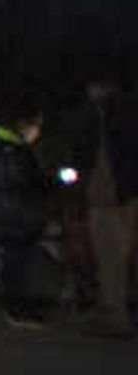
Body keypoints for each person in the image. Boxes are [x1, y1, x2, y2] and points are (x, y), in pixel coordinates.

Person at [53, 69, 134, 340]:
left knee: (112, 256)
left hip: (113, 194)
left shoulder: (104, 116)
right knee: (113, 256)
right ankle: (114, 313)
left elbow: (77, 156)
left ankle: (115, 315)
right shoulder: (98, 116)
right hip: (110, 194)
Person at [0, 107, 55, 331]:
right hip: (14, 215)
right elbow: (20, 181)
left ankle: (20, 308)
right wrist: (46, 182)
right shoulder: (9, 149)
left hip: (8, 213)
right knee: (15, 264)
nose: (37, 131)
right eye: (36, 126)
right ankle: (17, 311)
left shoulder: (0, 145)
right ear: (22, 124)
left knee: (17, 264)